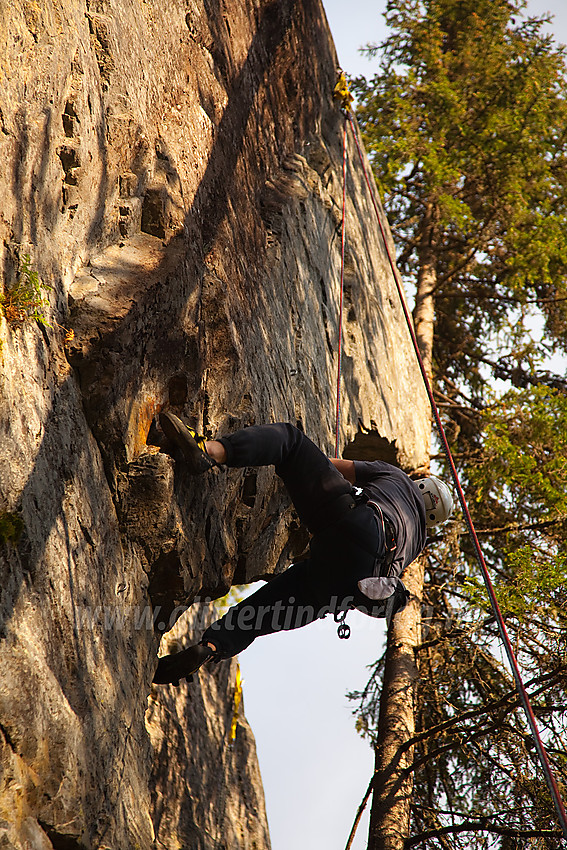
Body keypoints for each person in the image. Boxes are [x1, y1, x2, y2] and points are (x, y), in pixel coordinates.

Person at [152, 414, 453, 686]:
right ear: (431, 519)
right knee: (255, 617)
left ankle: (208, 452)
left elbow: (331, 466)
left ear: (422, 485)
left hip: (355, 521)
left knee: (291, 441)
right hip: (345, 587)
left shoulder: (398, 477)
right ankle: (210, 649)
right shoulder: (417, 543)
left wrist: (312, 471)